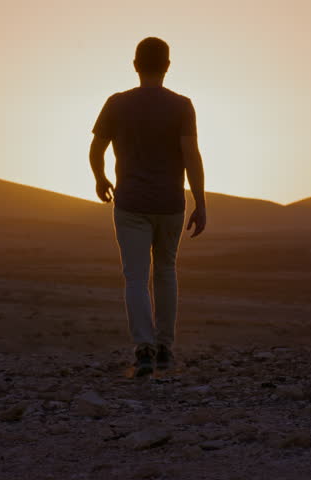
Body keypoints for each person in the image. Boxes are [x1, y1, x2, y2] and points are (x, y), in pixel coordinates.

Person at [89, 37, 206, 377]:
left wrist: (99, 178)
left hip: (131, 204)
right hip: (170, 203)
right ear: (167, 66)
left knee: (136, 277)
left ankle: (143, 348)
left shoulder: (117, 103)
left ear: (135, 64)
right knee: (166, 272)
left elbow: (96, 149)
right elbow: (191, 156)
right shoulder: (182, 105)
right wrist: (200, 200)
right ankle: (166, 349)